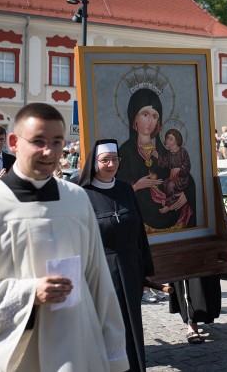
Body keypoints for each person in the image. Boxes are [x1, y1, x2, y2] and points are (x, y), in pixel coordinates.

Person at [0, 103, 129, 371]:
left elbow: (98, 282)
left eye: (57, 142)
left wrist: (114, 356)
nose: (49, 152)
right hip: (9, 358)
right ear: (14, 142)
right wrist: (26, 295)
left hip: (73, 347)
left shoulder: (77, 200)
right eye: (38, 141)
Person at [79, 139, 155, 372]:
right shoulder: (83, 193)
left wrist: (145, 269)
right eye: (105, 160)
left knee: (131, 323)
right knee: (106, 325)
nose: (111, 164)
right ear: (94, 162)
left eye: (115, 159)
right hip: (101, 269)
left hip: (130, 267)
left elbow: (139, 229)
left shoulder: (124, 189)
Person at [118, 88, 196, 232]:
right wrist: (136, 186)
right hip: (141, 219)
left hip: (174, 216)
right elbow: (118, 188)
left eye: (154, 116)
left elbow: (188, 179)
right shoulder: (125, 151)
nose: (150, 121)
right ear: (134, 117)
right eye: (145, 114)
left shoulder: (166, 152)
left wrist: (187, 195)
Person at [154, 129, 192, 214]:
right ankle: (173, 198)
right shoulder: (169, 153)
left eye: (171, 139)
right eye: (167, 138)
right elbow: (165, 164)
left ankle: (168, 205)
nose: (167, 140)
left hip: (182, 179)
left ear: (177, 141)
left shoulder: (182, 151)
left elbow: (187, 165)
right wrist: (157, 156)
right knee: (165, 183)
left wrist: (179, 169)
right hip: (173, 178)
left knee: (170, 185)